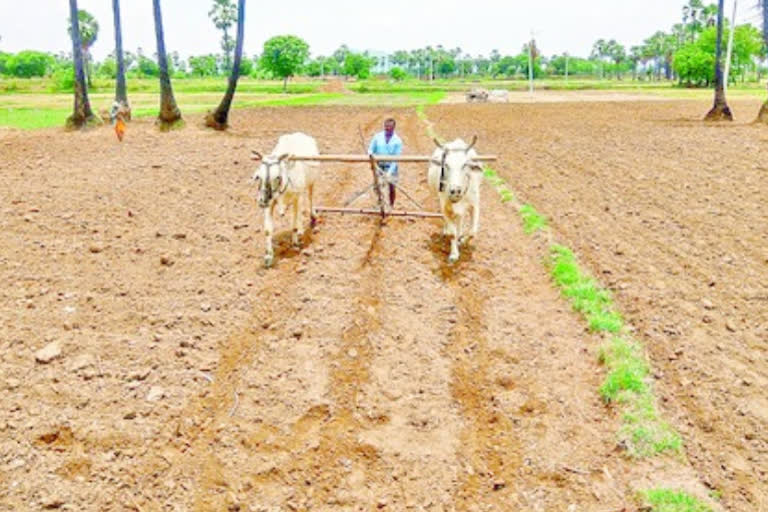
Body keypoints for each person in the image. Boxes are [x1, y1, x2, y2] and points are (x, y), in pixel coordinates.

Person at [368, 118, 403, 207]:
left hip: (391, 166)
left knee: (392, 187)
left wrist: (389, 173)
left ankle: (391, 206)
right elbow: (371, 149)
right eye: (386, 126)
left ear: (393, 128)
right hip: (379, 166)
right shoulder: (377, 137)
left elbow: (396, 158)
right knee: (378, 186)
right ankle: (380, 203)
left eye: (389, 127)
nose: (387, 128)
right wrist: (372, 158)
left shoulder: (397, 141)